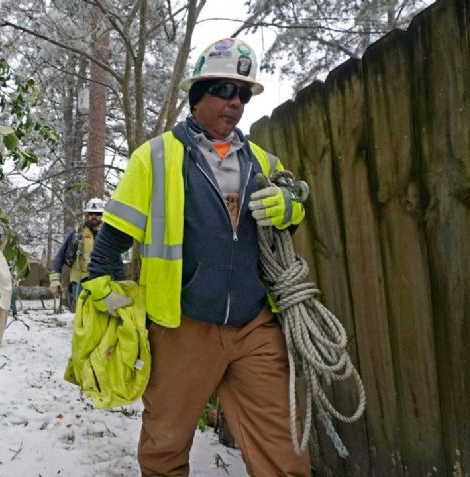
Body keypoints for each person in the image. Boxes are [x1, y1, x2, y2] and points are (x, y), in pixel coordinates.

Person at [81, 38, 310, 476]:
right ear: (198, 93)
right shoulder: (155, 157)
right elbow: (115, 235)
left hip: (254, 324)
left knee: (284, 446)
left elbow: (291, 218)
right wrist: (97, 285)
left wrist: (289, 207)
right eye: (224, 90)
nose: (235, 103)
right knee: (165, 442)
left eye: (242, 93)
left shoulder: (263, 160)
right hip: (183, 325)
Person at [49, 197, 125, 309]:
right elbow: (61, 255)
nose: (94, 216)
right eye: (91, 213)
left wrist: (120, 283)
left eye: (98, 213)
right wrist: (54, 278)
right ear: (87, 215)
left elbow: (117, 260)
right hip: (80, 281)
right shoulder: (77, 234)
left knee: (101, 312)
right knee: (81, 311)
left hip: (102, 280)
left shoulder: (109, 236)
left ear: (103, 215)